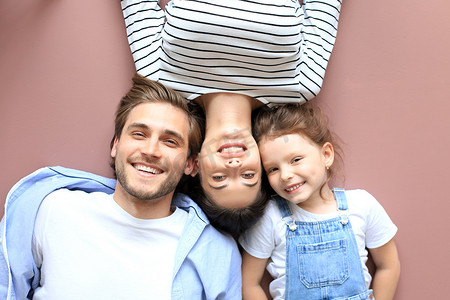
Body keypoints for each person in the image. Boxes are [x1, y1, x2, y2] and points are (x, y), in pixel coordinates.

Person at [0, 74, 242, 300]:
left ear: (191, 164)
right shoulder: (52, 209)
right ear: (116, 146)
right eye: (139, 134)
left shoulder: (216, 251)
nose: (150, 151)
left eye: (170, 141)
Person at [120, 0, 343, 234]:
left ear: (194, 165)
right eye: (248, 175)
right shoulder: (301, 85)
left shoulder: (157, 74)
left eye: (219, 177)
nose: (234, 165)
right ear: (263, 165)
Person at [239, 103, 400, 300]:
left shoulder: (362, 204)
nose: (285, 175)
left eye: (296, 160)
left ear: (326, 155)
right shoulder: (270, 216)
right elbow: (249, 283)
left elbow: (388, 265)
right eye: (273, 169)